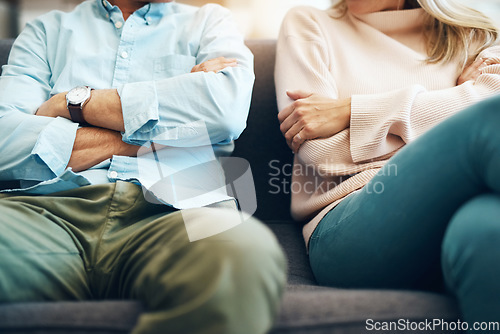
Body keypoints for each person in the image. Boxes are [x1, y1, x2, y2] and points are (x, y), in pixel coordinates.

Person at [0, 1, 287, 333]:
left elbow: (224, 111)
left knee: (245, 253)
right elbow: (6, 139)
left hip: (180, 211)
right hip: (44, 211)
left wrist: (71, 104)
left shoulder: (211, 22)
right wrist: (166, 130)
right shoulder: (46, 31)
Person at [275, 0, 500, 329]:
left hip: (457, 208)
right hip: (349, 224)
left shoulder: (474, 33)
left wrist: (351, 111)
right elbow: (320, 152)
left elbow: (489, 98)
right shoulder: (309, 24)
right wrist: (446, 106)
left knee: (486, 231)